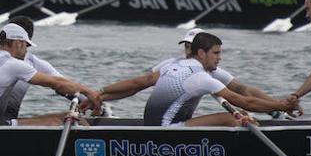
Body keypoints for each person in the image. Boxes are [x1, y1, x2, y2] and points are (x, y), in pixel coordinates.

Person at [104, 32, 298, 127]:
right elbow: (244, 101)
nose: (219, 58)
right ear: (201, 53)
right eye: (216, 53)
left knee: (239, 112)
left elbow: (139, 82)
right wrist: (281, 106)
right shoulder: (200, 77)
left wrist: (99, 94)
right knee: (236, 117)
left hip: (154, 126)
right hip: (166, 132)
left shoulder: (173, 66)